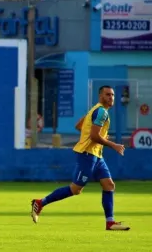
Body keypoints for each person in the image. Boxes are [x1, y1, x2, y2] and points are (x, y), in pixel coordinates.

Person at [31, 85, 130, 231]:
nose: (111, 97)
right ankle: (40, 203)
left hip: (96, 155)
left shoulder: (94, 110)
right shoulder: (101, 112)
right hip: (87, 155)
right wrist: (113, 145)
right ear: (100, 96)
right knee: (75, 189)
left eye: (113, 95)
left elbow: (79, 126)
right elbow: (94, 136)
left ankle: (110, 222)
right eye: (107, 94)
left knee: (109, 185)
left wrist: (97, 135)